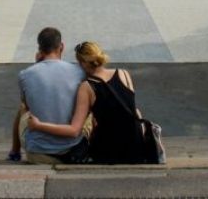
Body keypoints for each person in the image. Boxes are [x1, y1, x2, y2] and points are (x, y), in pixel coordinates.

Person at [28, 41, 148, 164]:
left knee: (86, 126)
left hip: (110, 152)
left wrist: (38, 125)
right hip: (136, 148)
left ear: (83, 63)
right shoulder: (123, 74)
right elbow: (129, 109)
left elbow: (74, 130)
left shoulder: (87, 87)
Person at [14, 27, 86, 164]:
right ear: (61, 46)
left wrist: (36, 65)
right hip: (73, 149)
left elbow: (28, 105)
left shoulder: (25, 75)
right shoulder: (79, 72)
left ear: (40, 49)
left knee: (22, 110)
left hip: (38, 152)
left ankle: (14, 152)